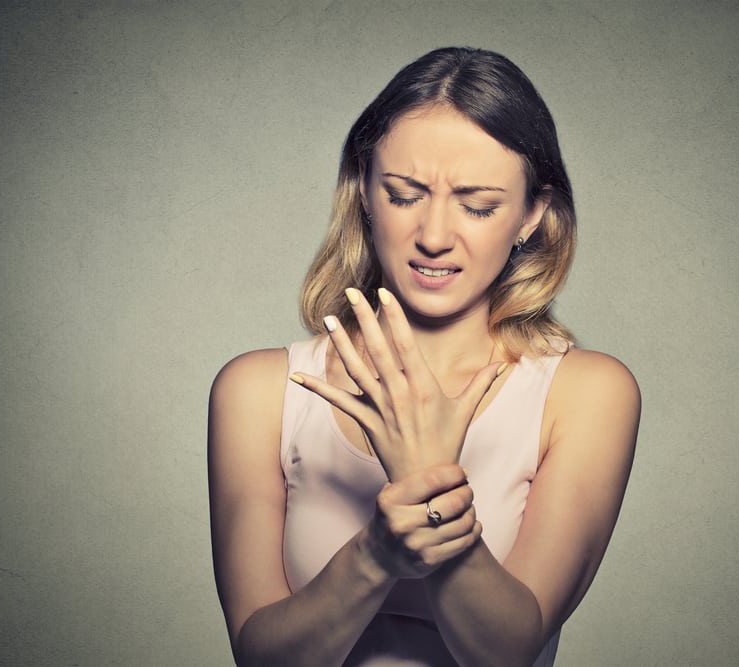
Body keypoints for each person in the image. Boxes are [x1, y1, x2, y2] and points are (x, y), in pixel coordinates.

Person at [208, 47, 641, 666]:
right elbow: (262, 658)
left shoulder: (586, 393)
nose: (435, 236)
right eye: (405, 194)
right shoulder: (257, 392)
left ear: (532, 215)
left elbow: (508, 651)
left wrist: (427, 485)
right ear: (363, 189)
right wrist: (376, 555)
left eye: (478, 205)